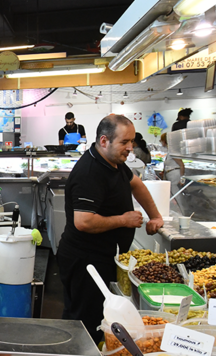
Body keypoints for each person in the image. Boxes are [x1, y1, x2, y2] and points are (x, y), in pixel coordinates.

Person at [57, 115, 164, 341]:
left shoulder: (114, 164)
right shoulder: (90, 172)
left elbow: (136, 184)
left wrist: (155, 216)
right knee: (84, 323)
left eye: (132, 141)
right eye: (124, 142)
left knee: (100, 317)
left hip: (103, 258)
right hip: (86, 262)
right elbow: (83, 221)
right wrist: (123, 220)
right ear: (104, 141)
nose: (130, 148)